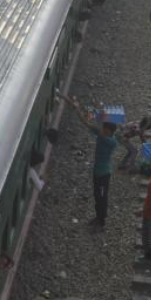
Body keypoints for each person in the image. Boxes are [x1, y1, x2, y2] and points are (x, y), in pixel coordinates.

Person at [64, 98, 119, 230]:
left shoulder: (111, 142)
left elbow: (93, 126)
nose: (102, 129)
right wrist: (77, 109)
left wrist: (93, 111)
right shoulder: (103, 135)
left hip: (104, 174)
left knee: (102, 197)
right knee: (97, 196)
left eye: (105, 128)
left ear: (110, 132)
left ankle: (101, 221)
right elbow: (86, 122)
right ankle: (98, 217)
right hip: (97, 172)